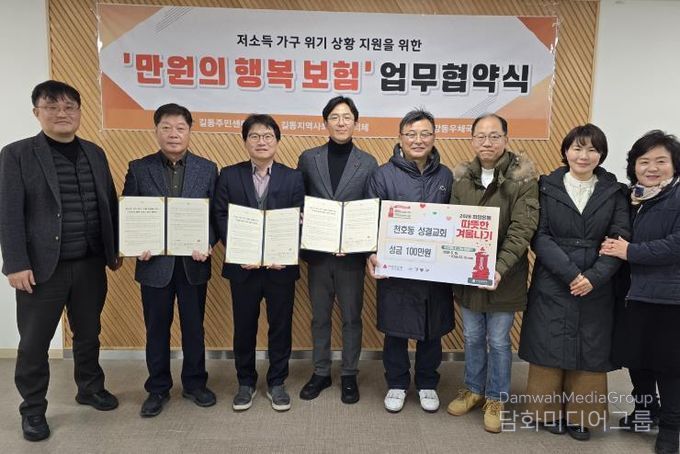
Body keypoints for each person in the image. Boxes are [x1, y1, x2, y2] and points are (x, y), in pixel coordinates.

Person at [0, 80, 120, 441]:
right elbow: (8, 213)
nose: (61, 113)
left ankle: (90, 388)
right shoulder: (17, 154)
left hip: (90, 263)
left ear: (79, 112)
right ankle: (33, 409)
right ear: (37, 112)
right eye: (51, 107)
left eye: (69, 107)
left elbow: (108, 203)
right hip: (40, 269)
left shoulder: (94, 153)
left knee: (88, 332)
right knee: (34, 343)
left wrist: (114, 249)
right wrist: (15, 263)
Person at [517, 124, 630, 440]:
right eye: (577, 148)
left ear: (601, 155)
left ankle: (583, 416)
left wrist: (593, 277)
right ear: (566, 151)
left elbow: (620, 237)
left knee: (590, 348)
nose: (584, 155)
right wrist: (571, 274)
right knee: (548, 343)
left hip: (598, 281)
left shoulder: (615, 191)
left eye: (592, 149)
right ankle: (546, 412)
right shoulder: (545, 186)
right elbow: (539, 235)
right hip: (553, 278)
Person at [122, 103, 218, 417]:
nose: (173, 134)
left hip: (193, 264)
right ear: (156, 131)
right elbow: (129, 213)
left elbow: (214, 215)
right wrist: (136, 244)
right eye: (166, 127)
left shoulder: (207, 168)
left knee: (194, 328)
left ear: (190, 131)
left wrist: (208, 241)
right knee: (156, 330)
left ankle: (195, 384)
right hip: (154, 265)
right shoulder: (139, 168)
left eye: (180, 128)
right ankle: (158, 388)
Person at [447, 113, 539, 433]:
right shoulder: (461, 178)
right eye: (481, 136)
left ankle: (497, 397)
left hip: (505, 276)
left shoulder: (523, 179)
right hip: (469, 274)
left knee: (498, 341)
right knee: (472, 337)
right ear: (472, 140)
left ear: (506, 139)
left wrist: (498, 268)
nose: (487, 142)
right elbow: (452, 223)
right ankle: (473, 389)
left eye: (494, 136)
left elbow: (522, 229)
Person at [213, 114, 305, 412]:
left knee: (280, 327)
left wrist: (285, 251)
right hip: (244, 269)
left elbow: (300, 219)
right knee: (244, 327)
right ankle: (245, 382)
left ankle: (277, 382)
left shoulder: (293, 177)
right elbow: (220, 215)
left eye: (267, 136)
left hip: (281, 268)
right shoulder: (229, 175)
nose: (261, 141)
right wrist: (240, 251)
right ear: (245, 141)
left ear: (277, 141)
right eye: (254, 136)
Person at [366, 109, 454, 414]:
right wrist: (371, 253)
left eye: (425, 134)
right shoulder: (382, 175)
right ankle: (397, 383)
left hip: (435, 271)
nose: (418, 140)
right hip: (397, 270)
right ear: (400, 137)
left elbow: (455, 221)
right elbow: (370, 220)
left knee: (432, 329)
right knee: (396, 329)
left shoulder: (446, 176)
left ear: (434, 137)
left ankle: (428, 382)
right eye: (411, 134)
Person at [601, 130, 680, 454]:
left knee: (669, 365)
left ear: (674, 165)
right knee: (638, 360)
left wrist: (630, 251)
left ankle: (671, 428)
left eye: (661, 161)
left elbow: (676, 245)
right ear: (633, 165)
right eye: (644, 161)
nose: (652, 168)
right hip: (632, 293)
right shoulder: (632, 198)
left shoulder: (676, 196)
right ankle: (646, 412)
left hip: (668, 296)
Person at [297, 96, 378, 404]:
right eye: (334, 117)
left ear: (355, 122)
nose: (341, 122)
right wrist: (301, 217)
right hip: (318, 254)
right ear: (325, 122)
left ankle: (348, 374)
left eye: (346, 117)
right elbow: (299, 197)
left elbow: (371, 208)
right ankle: (320, 372)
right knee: (319, 317)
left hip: (351, 258)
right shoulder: (308, 158)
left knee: (351, 318)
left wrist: (360, 244)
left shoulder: (368, 162)